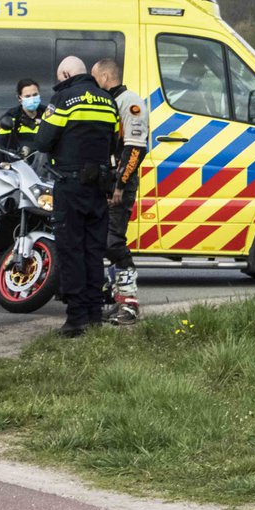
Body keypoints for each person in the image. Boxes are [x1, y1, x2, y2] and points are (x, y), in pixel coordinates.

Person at [35, 56, 119, 337]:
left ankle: (76, 319)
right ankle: (94, 315)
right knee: (94, 251)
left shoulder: (64, 99)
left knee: (71, 250)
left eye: (60, 78)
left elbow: (43, 141)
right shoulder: (108, 101)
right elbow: (114, 143)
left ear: (67, 74)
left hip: (70, 186)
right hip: (99, 188)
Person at [91, 58, 145, 324]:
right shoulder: (107, 102)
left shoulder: (130, 102)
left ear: (104, 76)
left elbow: (135, 149)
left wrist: (120, 186)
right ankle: (109, 295)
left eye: (94, 78)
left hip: (118, 184)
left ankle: (130, 301)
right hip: (103, 181)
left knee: (113, 241)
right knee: (99, 241)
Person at [0, 78, 43, 158]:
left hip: (41, 165)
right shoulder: (10, 117)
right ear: (19, 98)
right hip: (18, 165)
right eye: (27, 96)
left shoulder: (48, 114)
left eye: (35, 95)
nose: (32, 99)